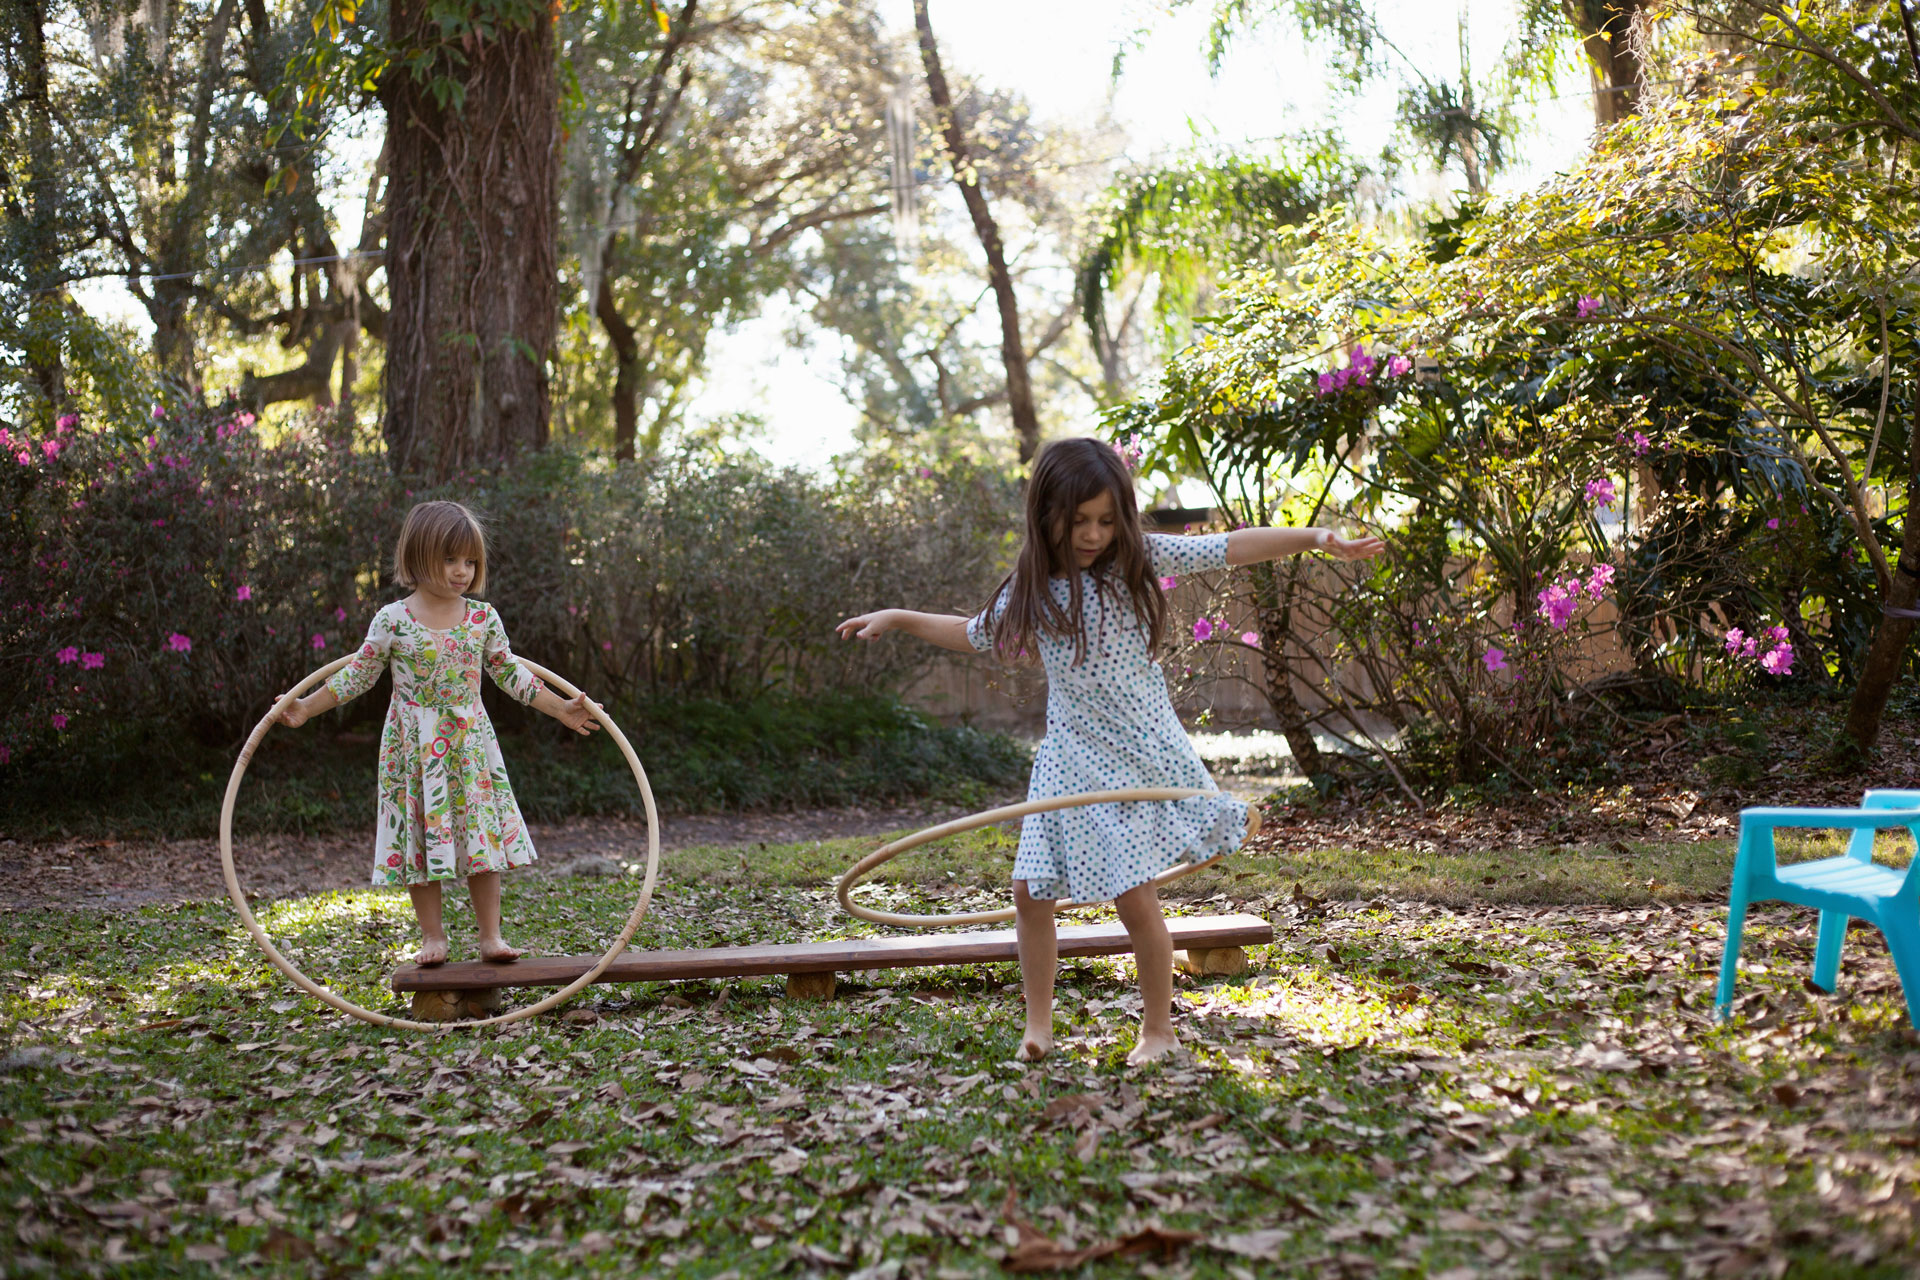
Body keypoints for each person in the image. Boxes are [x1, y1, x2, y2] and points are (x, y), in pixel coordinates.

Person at [836, 439, 1384, 1064]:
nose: (1094, 534)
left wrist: (1316, 537)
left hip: (1136, 755)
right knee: (1028, 892)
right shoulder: (1033, 588)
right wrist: (899, 616)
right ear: (1045, 515)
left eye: (1104, 519)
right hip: (1069, 756)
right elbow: (971, 633)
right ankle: (1037, 1028)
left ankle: (1159, 1030)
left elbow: (1230, 547)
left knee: (1132, 895)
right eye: (1078, 522)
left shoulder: (1137, 559)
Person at [277, 501, 600, 966]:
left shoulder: (481, 619)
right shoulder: (393, 619)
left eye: (470, 561)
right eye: (451, 559)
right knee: (419, 838)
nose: (462, 571)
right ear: (419, 555)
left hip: (468, 745)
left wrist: (561, 710)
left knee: (480, 840)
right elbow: (358, 675)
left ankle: (491, 936)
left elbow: (511, 675)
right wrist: (305, 707)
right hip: (413, 748)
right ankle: (433, 936)